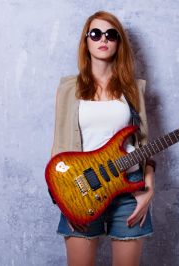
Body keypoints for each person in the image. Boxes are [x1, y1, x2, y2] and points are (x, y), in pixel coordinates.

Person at [50, 10, 156, 266]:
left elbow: (143, 146)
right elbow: (58, 147)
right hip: (81, 188)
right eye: (95, 33)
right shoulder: (68, 89)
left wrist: (149, 188)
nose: (103, 39)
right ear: (86, 41)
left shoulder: (132, 88)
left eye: (111, 34)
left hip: (129, 189)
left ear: (119, 42)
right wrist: (63, 199)